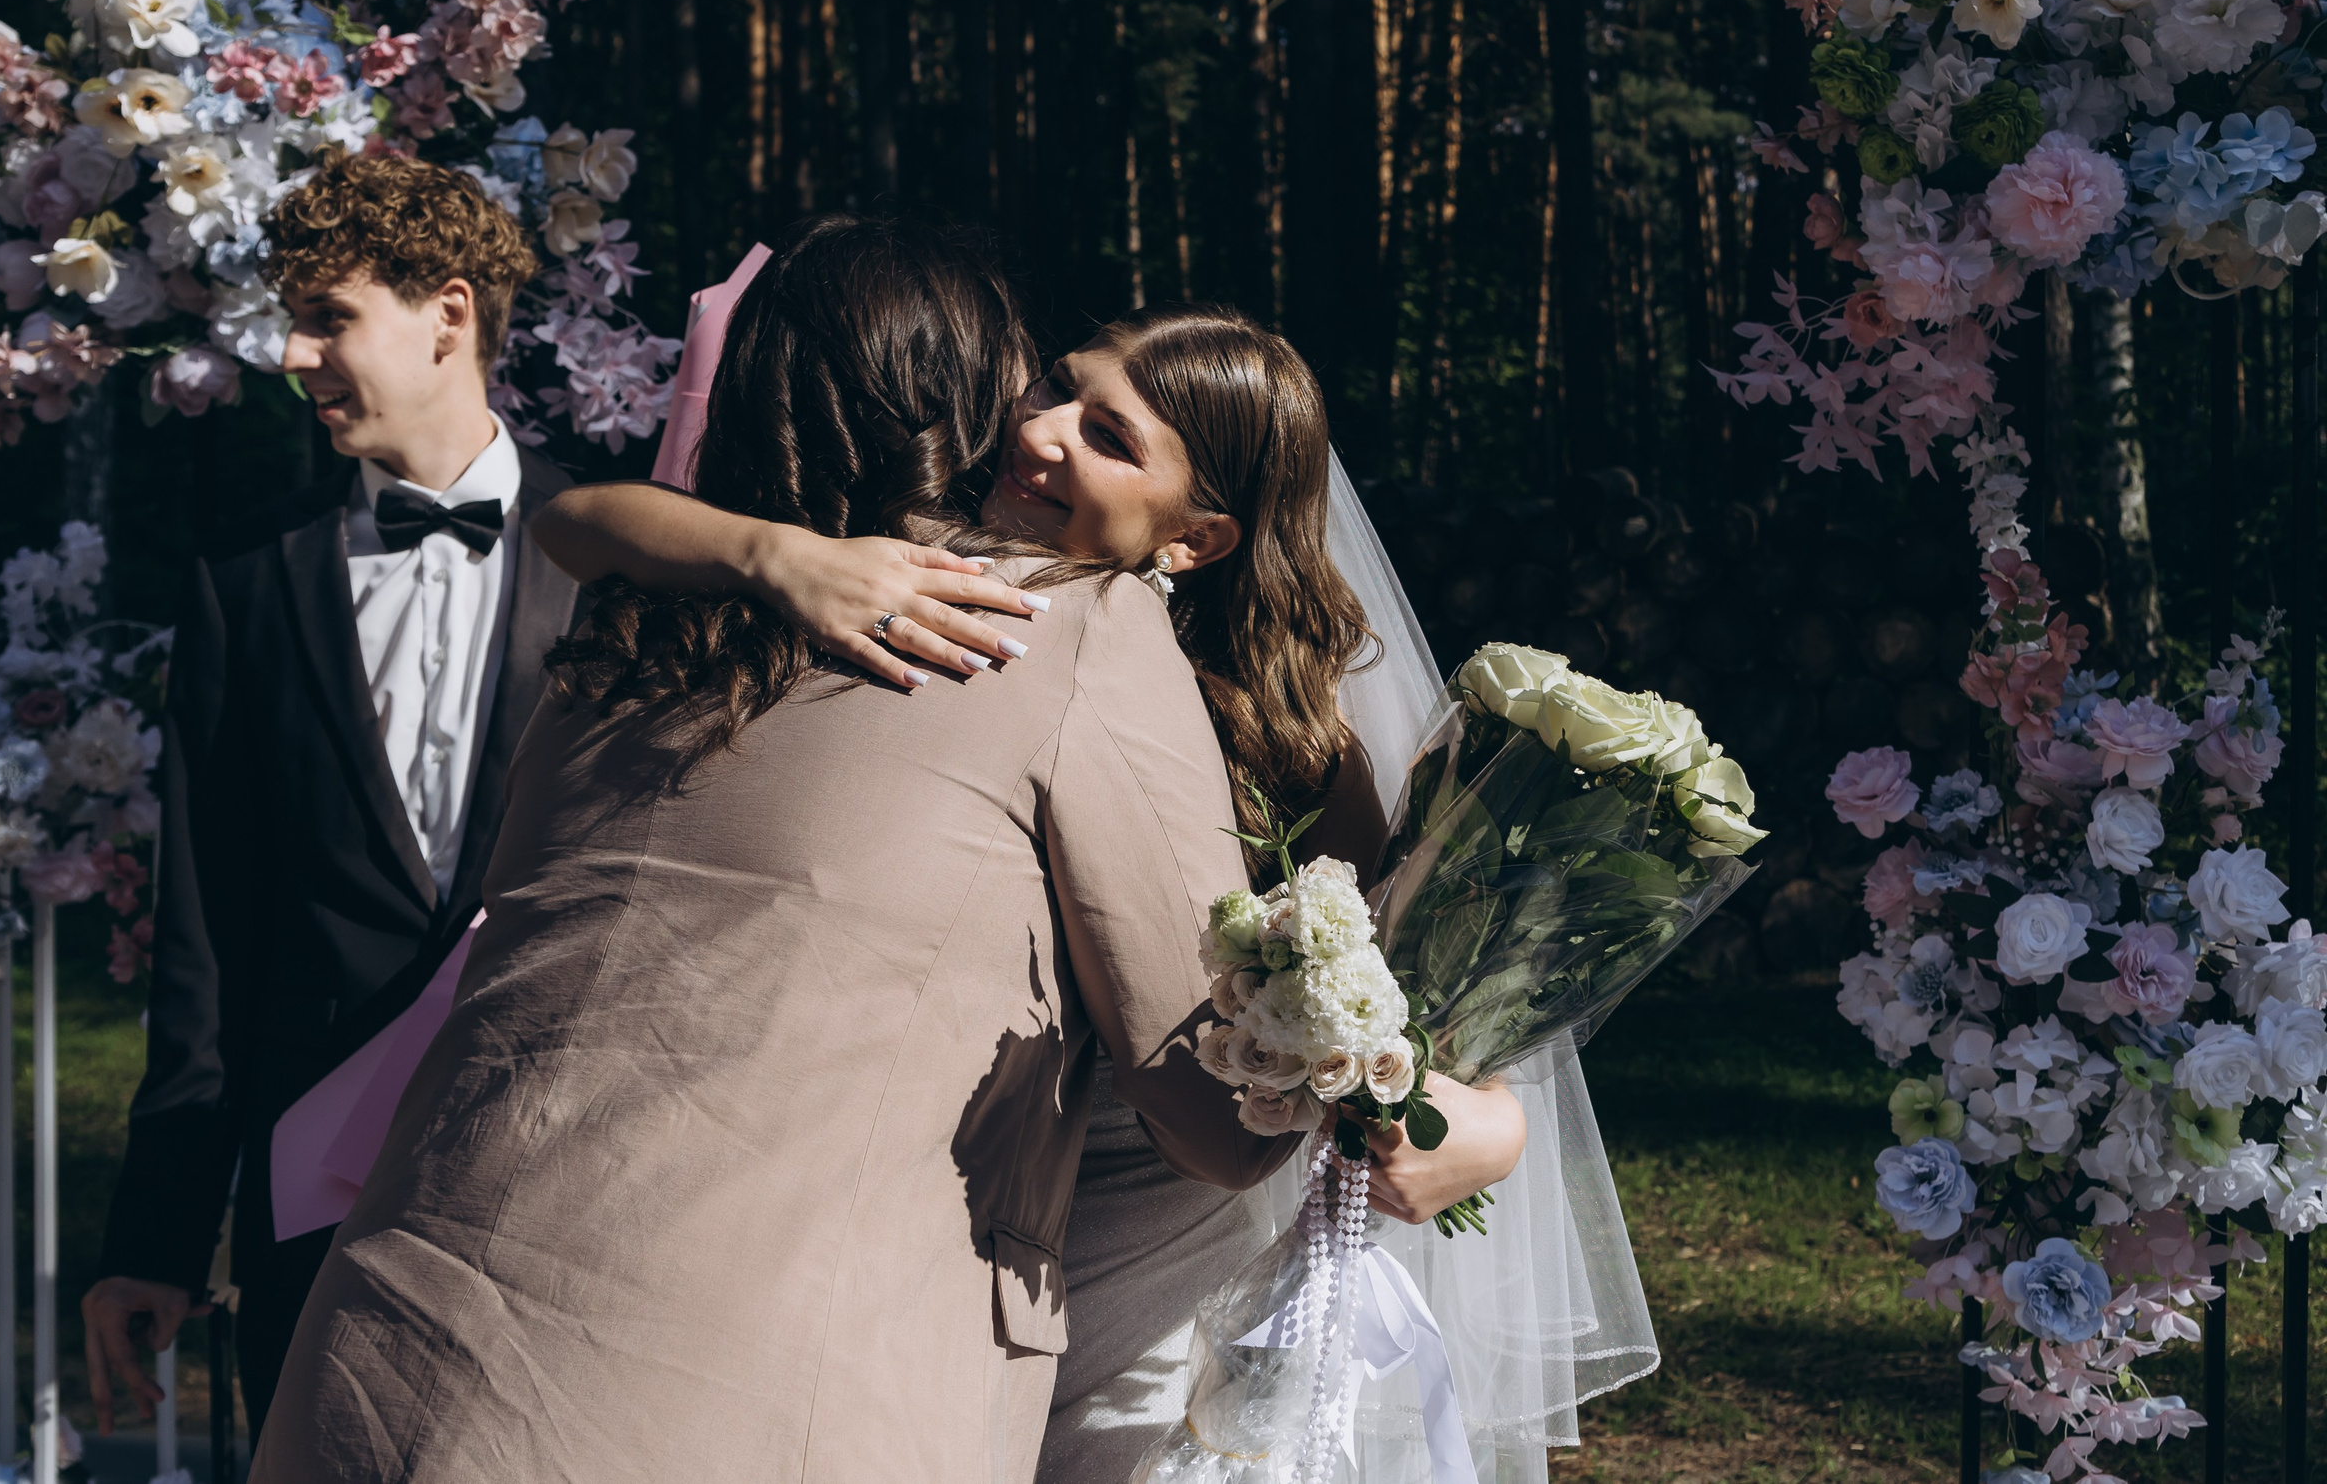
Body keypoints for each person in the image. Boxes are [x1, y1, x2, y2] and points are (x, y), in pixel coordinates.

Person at [250, 214, 1334, 1482]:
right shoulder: (1060, 624)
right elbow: (1213, 1111)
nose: (1038, 430)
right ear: (964, 402)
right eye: (1038, 385)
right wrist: (1386, 1087)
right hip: (758, 1394)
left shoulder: (619, 641)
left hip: (381, 1364)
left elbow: (580, 526)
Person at [531, 300, 1655, 1479]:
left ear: (1197, 538)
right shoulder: (919, 578)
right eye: (1055, 390)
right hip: (935, 1220)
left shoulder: (1293, 757)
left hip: (1148, 1237)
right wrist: (781, 554)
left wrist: (1489, 1120)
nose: (1043, 431)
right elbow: (569, 516)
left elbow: (1395, 988)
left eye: (1109, 438)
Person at [79, 154, 583, 1438]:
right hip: (317, 1202)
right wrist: (158, 1235)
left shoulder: (621, 555)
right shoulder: (246, 585)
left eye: (329, 317)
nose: (294, 355)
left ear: (449, 314)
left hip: (566, 1193)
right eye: (291, 321)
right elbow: (206, 934)